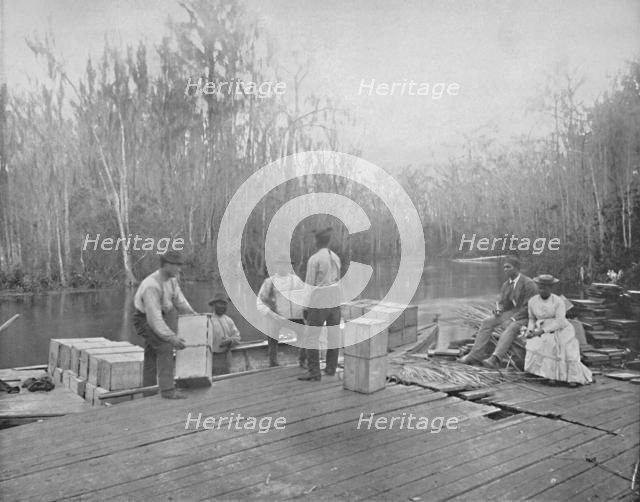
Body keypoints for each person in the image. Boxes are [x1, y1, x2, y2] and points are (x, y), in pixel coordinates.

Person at [132, 251, 194, 399]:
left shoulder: (171, 279)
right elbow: (154, 320)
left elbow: (179, 300)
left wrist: (195, 315)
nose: (179, 269)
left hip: (160, 315)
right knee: (165, 346)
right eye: (177, 266)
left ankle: (148, 391)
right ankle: (167, 391)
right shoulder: (151, 286)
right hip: (144, 319)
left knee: (152, 352)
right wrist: (171, 338)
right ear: (166, 265)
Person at [459, 255, 537, 369]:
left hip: (527, 315)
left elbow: (529, 307)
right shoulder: (506, 285)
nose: (505, 270)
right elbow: (502, 303)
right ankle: (475, 355)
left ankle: (495, 358)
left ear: (516, 268)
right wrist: (498, 309)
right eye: (504, 267)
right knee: (487, 322)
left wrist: (512, 319)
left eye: (508, 267)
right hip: (513, 312)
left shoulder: (528, 284)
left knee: (511, 327)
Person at [524, 275, 593, 385]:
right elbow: (532, 319)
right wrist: (530, 330)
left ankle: (571, 377)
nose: (542, 290)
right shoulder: (532, 301)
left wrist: (542, 331)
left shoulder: (558, 301)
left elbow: (560, 321)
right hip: (541, 327)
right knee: (537, 341)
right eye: (540, 288)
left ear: (551, 288)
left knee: (559, 345)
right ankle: (548, 375)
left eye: (546, 288)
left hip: (560, 328)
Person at [299, 227, 342, 381]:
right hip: (335, 297)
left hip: (321, 297)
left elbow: (309, 285)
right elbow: (338, 280)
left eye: (314, 239)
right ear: (328, 241)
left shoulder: (314, 259)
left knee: (311, 337)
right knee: (333, 335)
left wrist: (305, 306)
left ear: (317, 241)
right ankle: (331, 368)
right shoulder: (336, 257)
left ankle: (314, 372)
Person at [256, 254, 307, 367]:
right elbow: (260, 302)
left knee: (305, 334)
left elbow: (305, 297)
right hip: (277, 317)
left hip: (296, 317)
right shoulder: (269, 282)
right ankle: (273, 363)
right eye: (281, 265)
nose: (283, 267)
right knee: (272, 338)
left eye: (286, 265)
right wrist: (270, 314)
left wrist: (306, 309)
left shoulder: (296, 280)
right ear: (277, 266)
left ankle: (303, 361)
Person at [209, 292, 241, 375]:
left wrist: (230, 341)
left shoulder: (229, 320)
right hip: (212, 358)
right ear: (214, 305)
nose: (223, 306)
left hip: (226, 356)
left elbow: (237, 337)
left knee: (227, 379)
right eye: (220, 303)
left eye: (224, 304)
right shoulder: (208, 320)